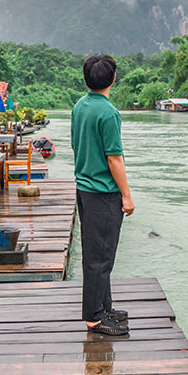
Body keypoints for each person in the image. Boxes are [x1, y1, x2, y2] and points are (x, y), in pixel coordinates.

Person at [70, 54, 135, 336]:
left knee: (99, 253)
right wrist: (127, 195)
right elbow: (114, 159)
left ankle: (104, 306)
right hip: (103, 192)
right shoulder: (108, 113)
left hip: (85, 189)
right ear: (113, 79)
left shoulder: (79, 106)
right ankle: (94, 317)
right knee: (99, 257)